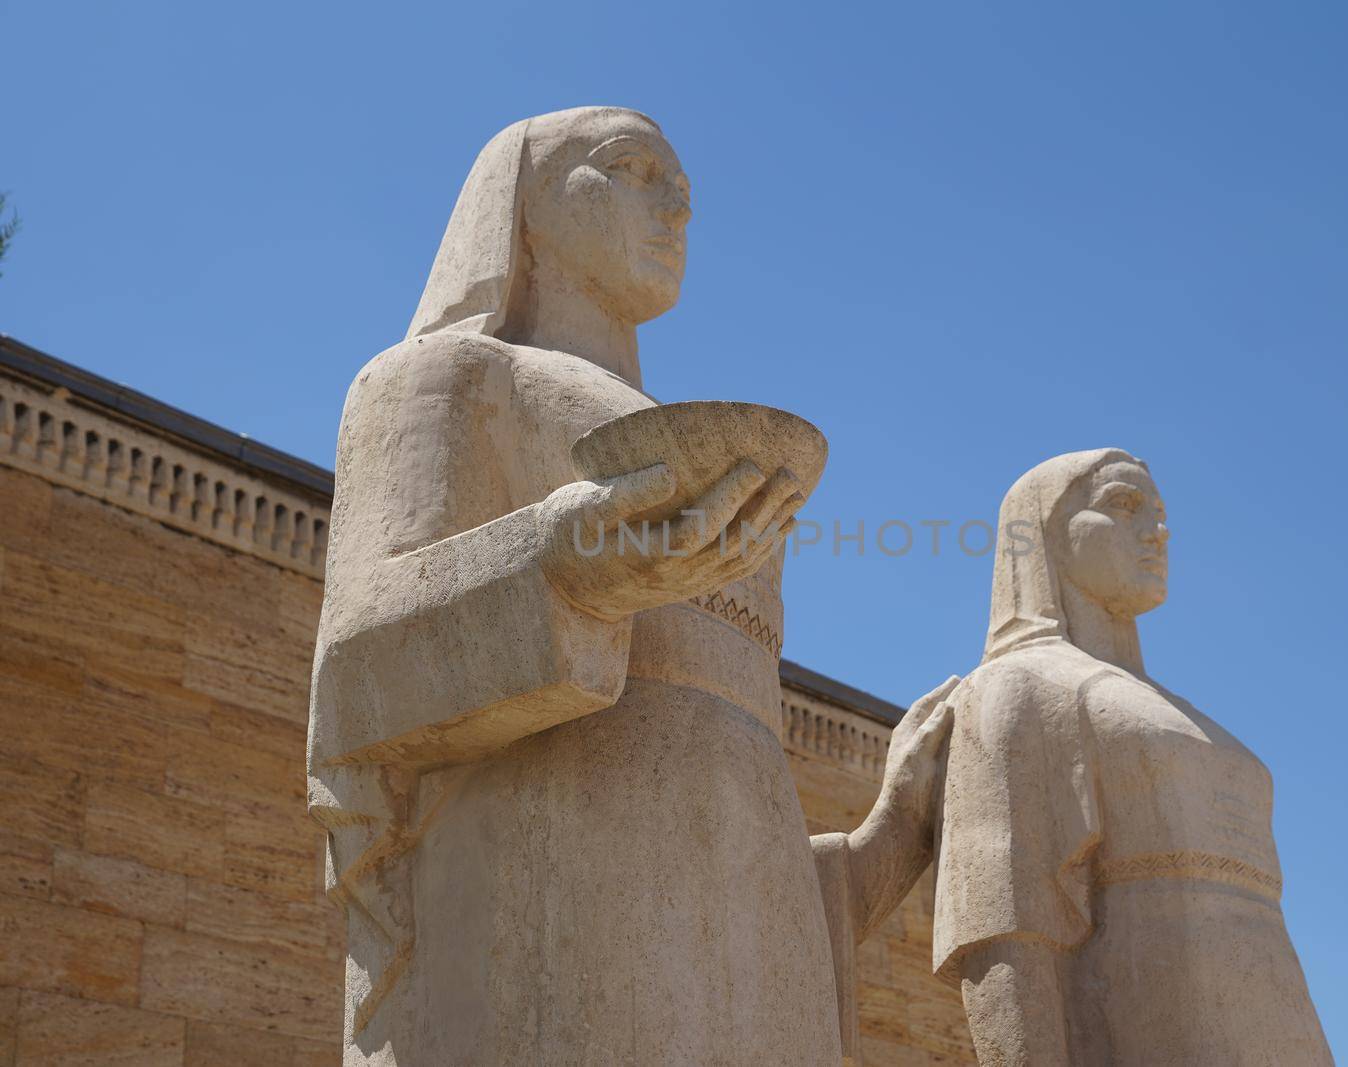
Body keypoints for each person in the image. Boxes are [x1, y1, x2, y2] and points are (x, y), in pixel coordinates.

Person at [307, 107, 953, 1065]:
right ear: (527, 201)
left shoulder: (712, 460)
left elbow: (729, 776)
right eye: (633, 167)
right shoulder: (451, 376)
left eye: (684, 184)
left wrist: (895, 830)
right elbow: (354, 674)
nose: (678, 202)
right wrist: (568, 568)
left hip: (748, 956)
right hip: (548, 901)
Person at [935, 449, 1333, 1064]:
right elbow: (1006, 931)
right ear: (1043, 531)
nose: (1157, 530)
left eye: (1160, 512)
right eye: (1122, 504)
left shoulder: (1178, 710)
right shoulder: (1018, 687)